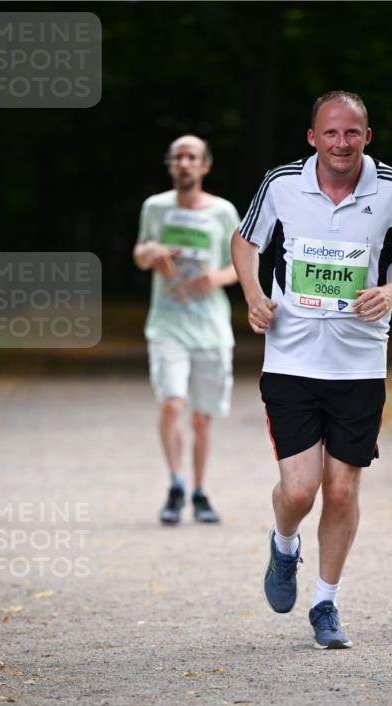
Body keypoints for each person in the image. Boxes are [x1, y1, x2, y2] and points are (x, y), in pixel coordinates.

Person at [231, 91, 392, 649]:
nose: (340, 143)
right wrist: (253, 295)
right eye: (330, 133)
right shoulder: (281, 185)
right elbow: (245, 242)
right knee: (300, 490)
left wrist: (390, 291)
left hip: (360, 363)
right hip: (292, 357)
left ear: (367, 137)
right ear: (312, 137)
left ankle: (325, 602)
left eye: (351, 133)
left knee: (342, 492)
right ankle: (284, 545)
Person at [134, 135, 240, 524]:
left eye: (192, 157)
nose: (184, 163)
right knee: (171, 402)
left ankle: (200, 490)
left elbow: (243, 263)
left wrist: (215, 278)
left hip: (210, 327)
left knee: (201, 417)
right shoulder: (156, 207)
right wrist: (152, 253)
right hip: (166, 323)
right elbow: (140, 251)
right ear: (170, 165)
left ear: (205, 166)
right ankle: (176, 484)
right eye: (178, 156)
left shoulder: (224, 212)